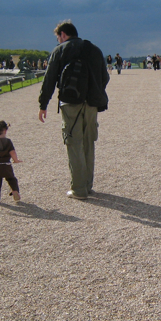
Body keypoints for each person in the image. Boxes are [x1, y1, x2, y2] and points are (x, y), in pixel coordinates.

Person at [38, 19, 109, 200]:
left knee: (73, 143)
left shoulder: (60, 50)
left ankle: (78, 189)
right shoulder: (94, 49)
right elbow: (105, 77)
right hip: (92, 103)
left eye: (58, 37)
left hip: (71, 103)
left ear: (63, 34)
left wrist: (43, 104)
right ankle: (87, 185)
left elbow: (49, 80)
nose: (58, 41)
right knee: (88, 143)